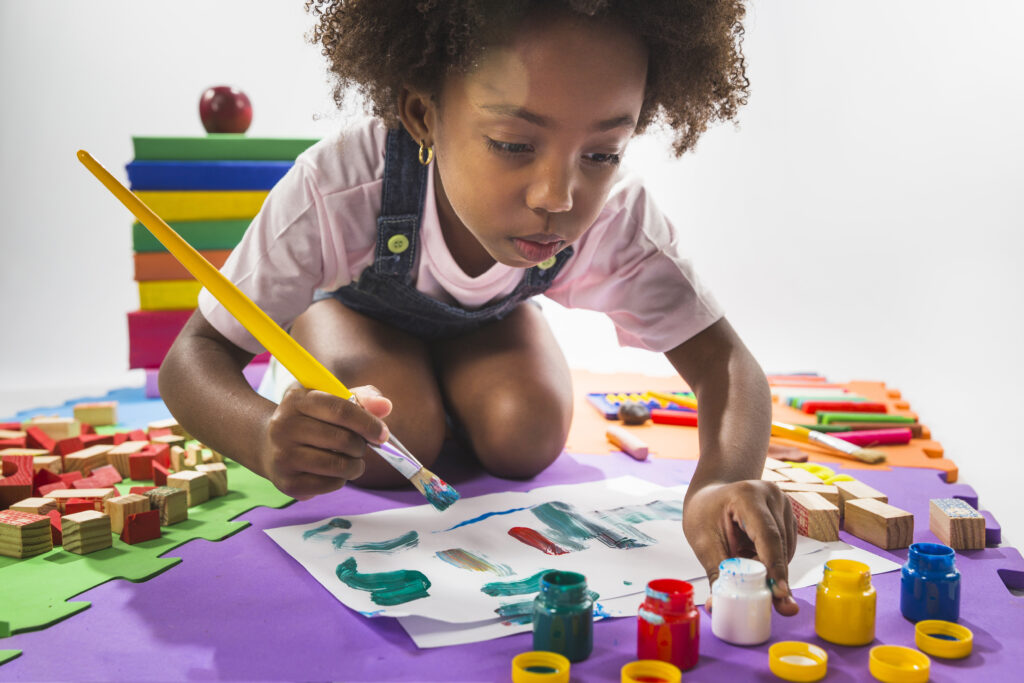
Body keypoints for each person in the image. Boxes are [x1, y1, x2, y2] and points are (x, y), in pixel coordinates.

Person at [159, 0, 799, 615]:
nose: (558, 196)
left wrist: (717, 481)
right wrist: (263, 437)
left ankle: (461, 376)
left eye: (602, 154)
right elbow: (194, 357)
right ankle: (359, 352)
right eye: (514, 143)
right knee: (391, 441)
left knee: (527, 435)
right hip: (358, 315)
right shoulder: (338, 187)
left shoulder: (618, 218)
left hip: (490, 326)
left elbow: (726, 363)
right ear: (422, 113)